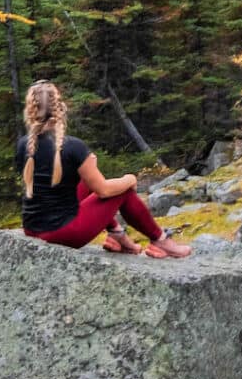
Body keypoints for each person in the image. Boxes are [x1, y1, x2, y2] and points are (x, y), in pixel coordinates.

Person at [16, 78, 191, 257]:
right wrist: (129, 179)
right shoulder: (73, 146)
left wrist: (86, 166)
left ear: (30, 109)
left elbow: (46, 184)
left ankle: (116, 235)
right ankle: (160, 239)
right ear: (59, 107)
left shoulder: (23, 144)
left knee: (87, 182)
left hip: (32, 229)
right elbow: (104, 191)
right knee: (122, 191)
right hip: (62, 234)